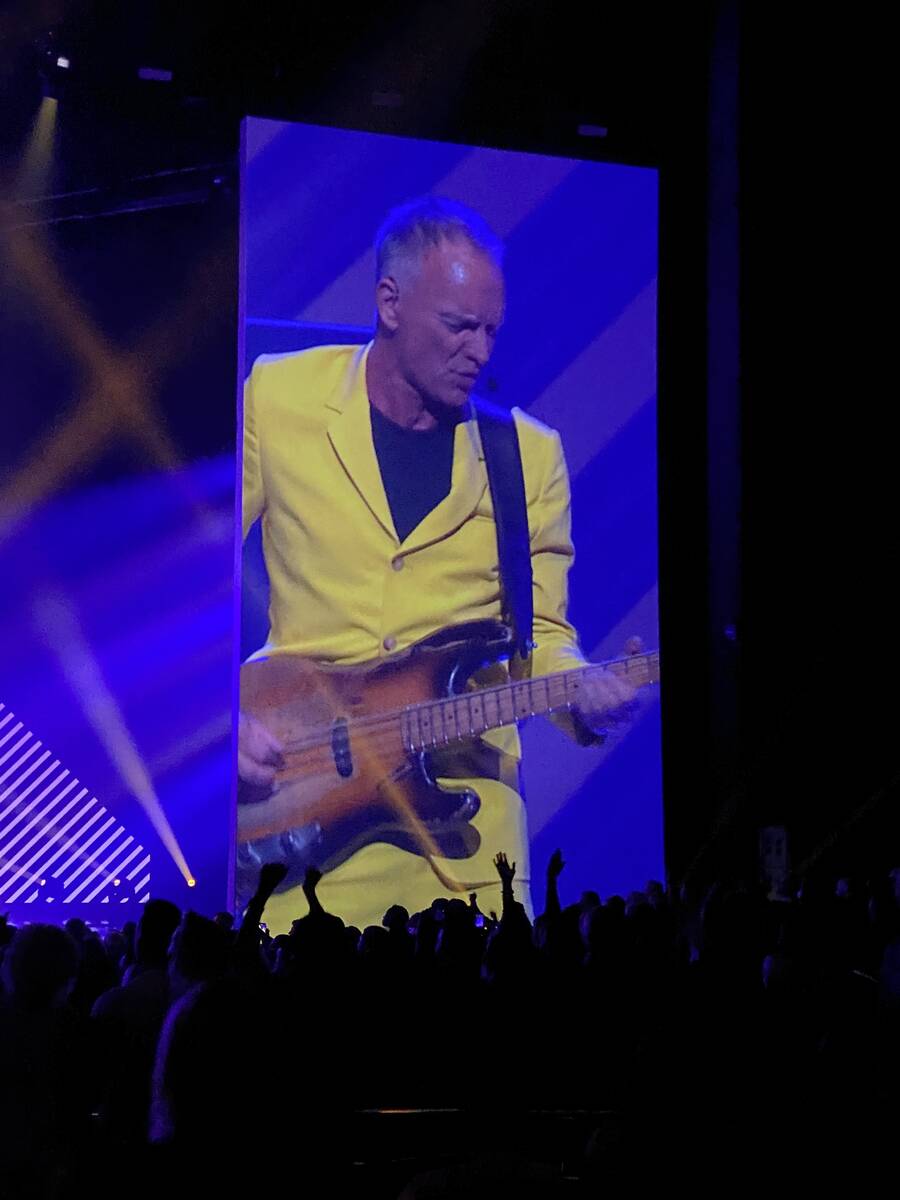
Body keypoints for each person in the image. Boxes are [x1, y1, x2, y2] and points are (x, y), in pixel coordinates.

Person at [238, 196, 638, 931]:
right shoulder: (278, 396)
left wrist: (580, 689)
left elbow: (542, 637)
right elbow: (191, 587)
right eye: (459, 326)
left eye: (491, 331)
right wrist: (219, 721)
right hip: (300, 824)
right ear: (388, 302)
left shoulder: (530, 455)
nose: (480, 352)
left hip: (465, 850)